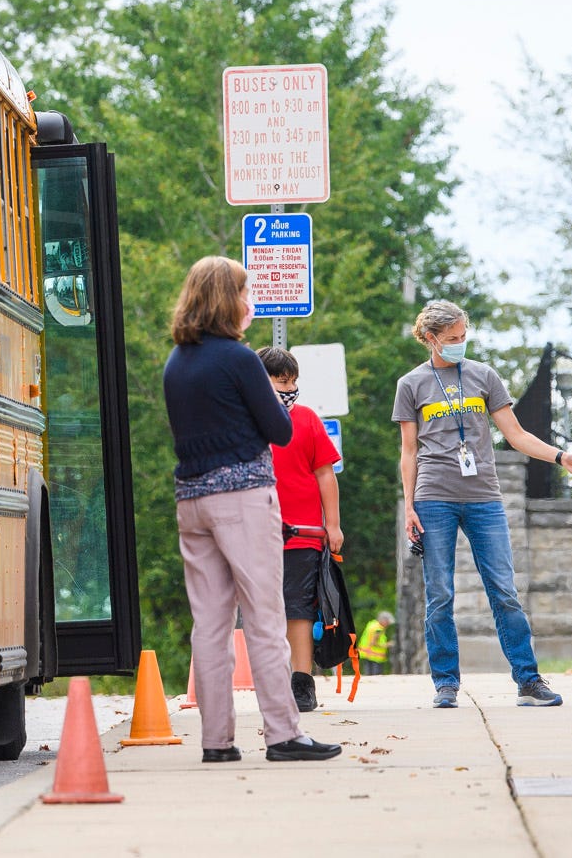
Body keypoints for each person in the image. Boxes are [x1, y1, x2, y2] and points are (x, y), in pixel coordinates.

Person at [163, 256, 340, 763]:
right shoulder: (239, 359)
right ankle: (284, 734)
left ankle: (217, 742)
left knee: (211, 625)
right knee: (265, 617)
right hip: (242, 498)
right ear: (227, 300)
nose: (250, 303)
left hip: (192, 499)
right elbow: (280, 430)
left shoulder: (178, 362)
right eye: (245, 293)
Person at [394, 299, 572, 708]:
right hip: (434, 497)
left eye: (464, 337)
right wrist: (410, 506)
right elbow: (409, 451)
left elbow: (517, 435)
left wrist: (562, 457)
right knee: (441, 594)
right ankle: (446, 684)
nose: (460, 344)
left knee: (504, 591)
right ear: (432, 339)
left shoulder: (484, 376)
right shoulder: (411, 384)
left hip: (484, 497)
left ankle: (528, 680)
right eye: (451, 339)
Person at [255, 345, 342, 712]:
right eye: (279, 381)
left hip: (303, 535)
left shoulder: (307, 419)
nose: (288, 388)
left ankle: (302, 682)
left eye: (292, 381)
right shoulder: (246, 421)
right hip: (256, 534)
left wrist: (332, 525)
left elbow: (325, 474)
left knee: (300, 610)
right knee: (262, 612)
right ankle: (272, 681)